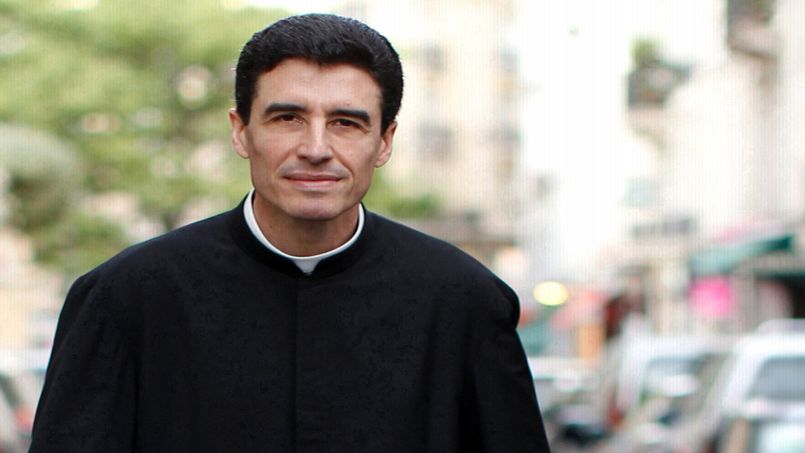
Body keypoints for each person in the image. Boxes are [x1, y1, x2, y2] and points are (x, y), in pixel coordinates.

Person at [30, 13, 551, 452]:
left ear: (385, 141)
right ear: (241, 131)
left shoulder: (465, 301)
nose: (316, 148)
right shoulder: (124, 298)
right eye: (287, 118)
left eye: (346, 122)